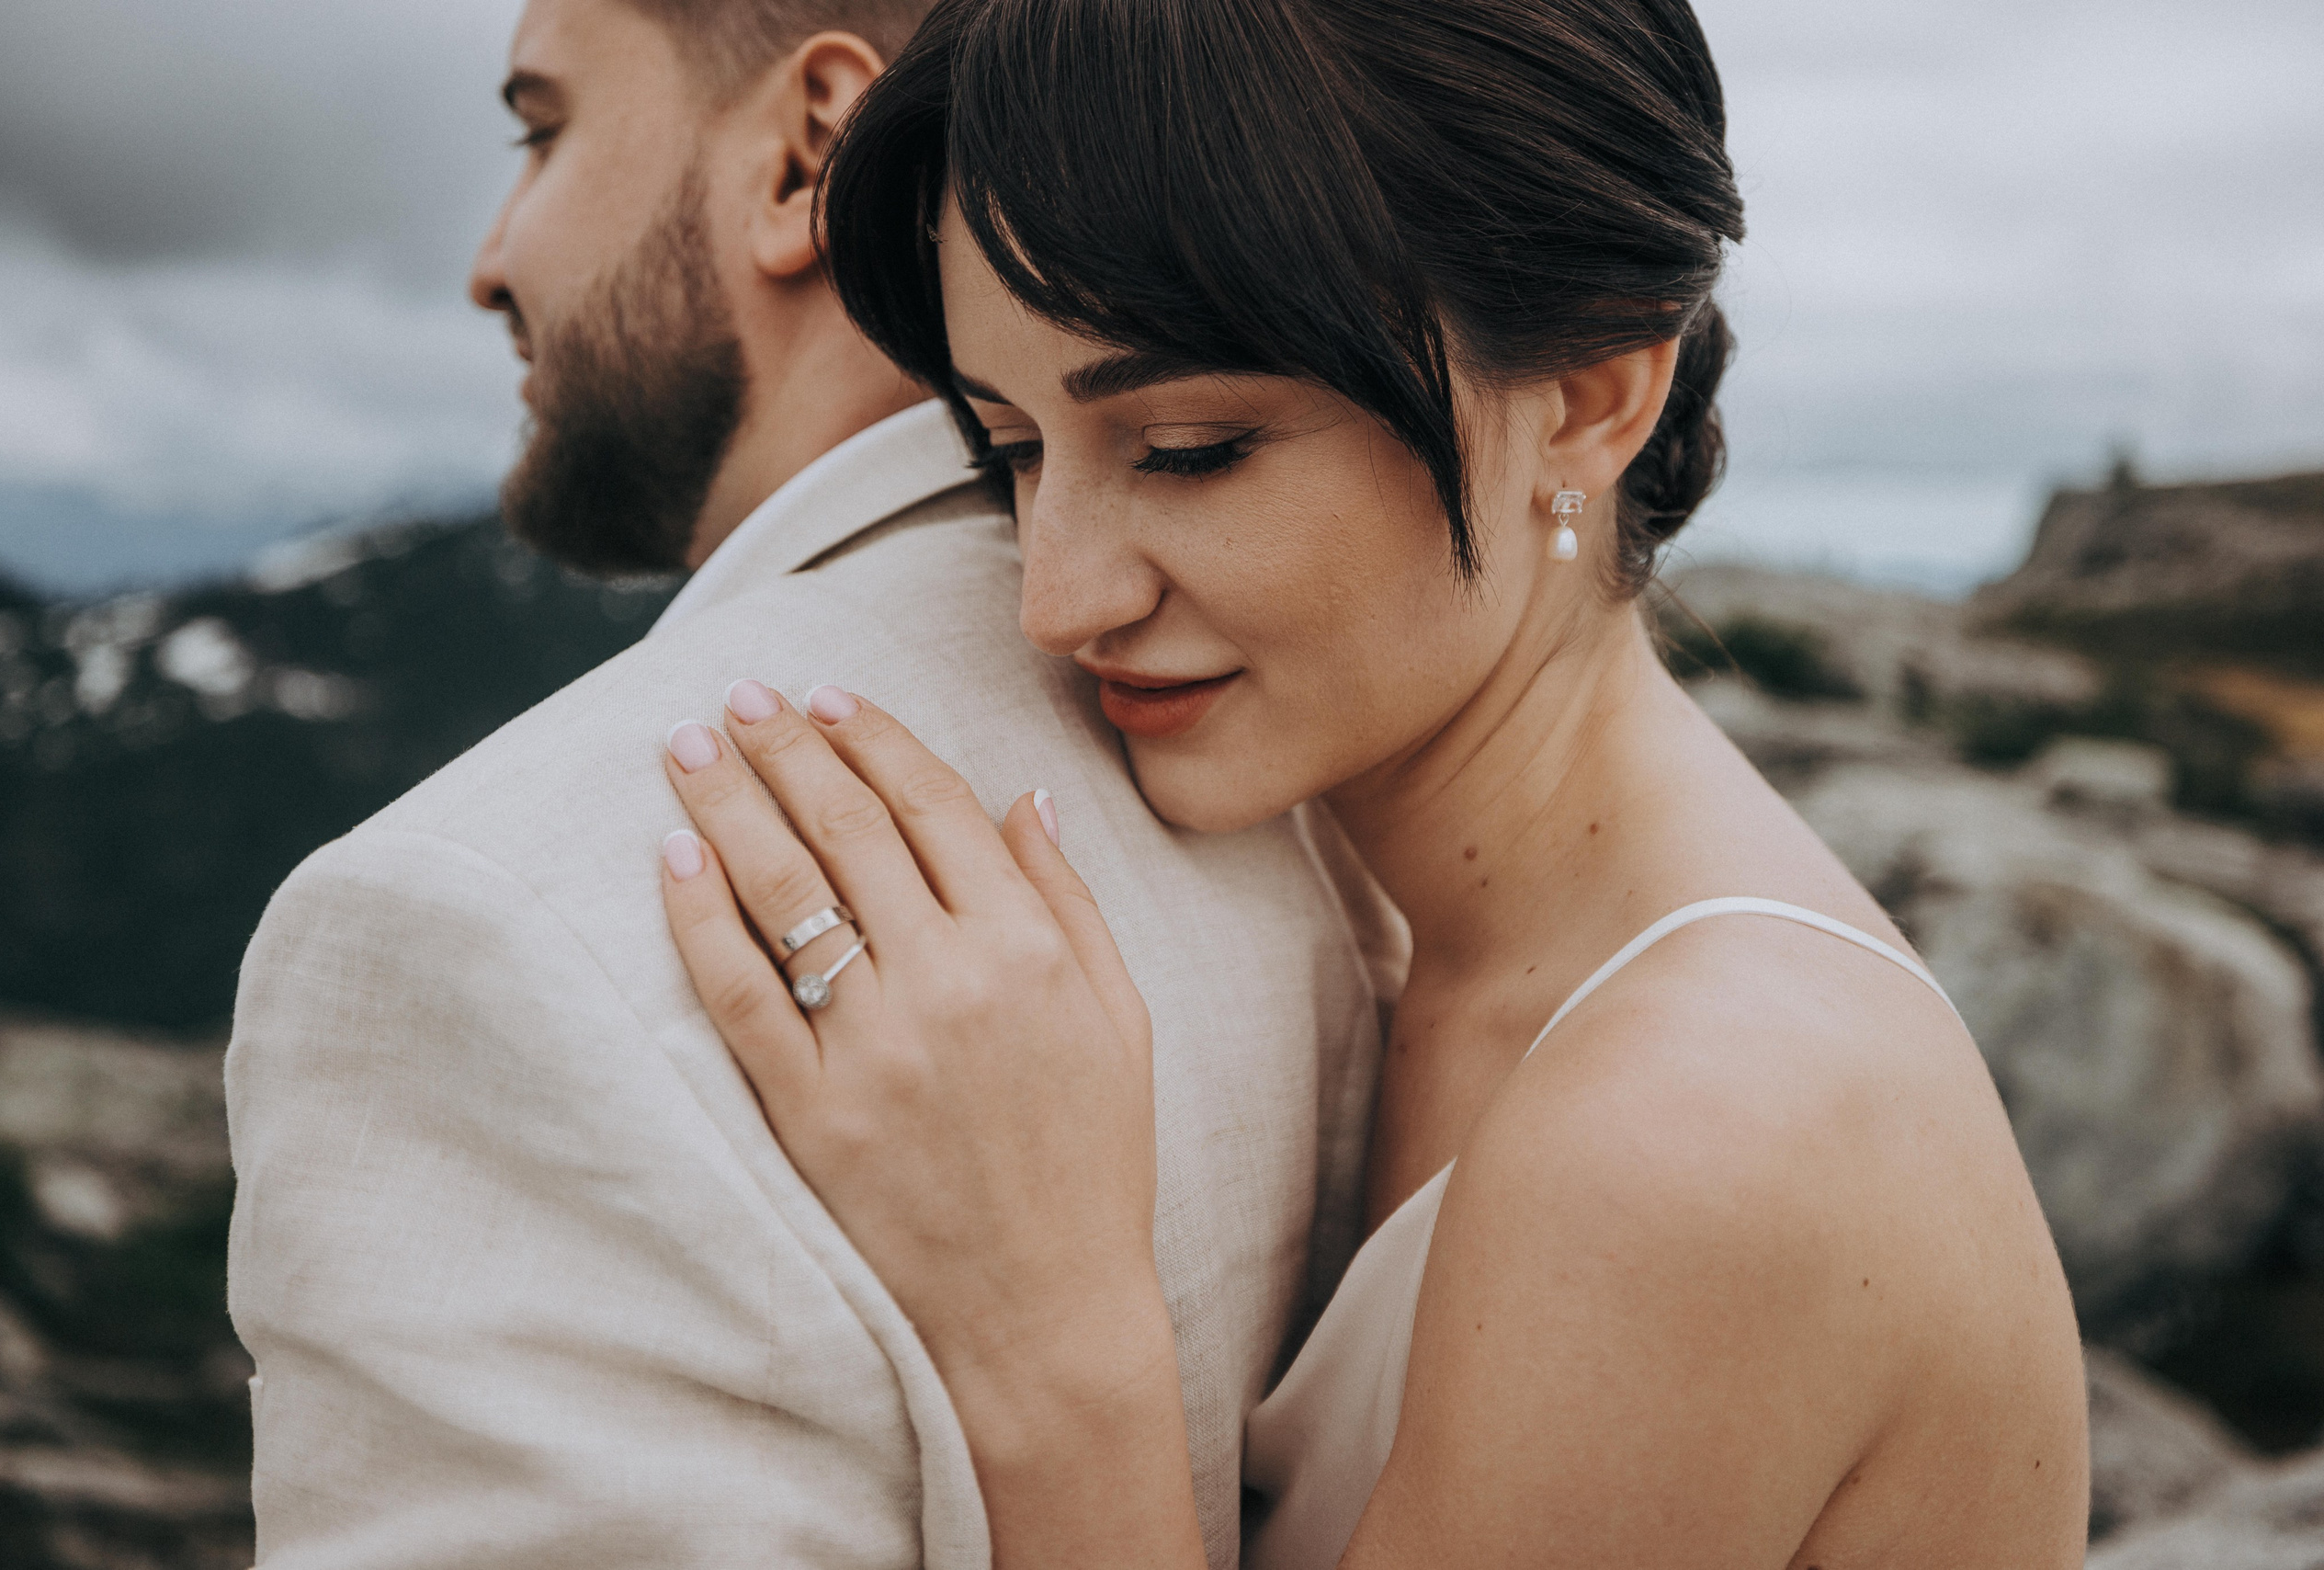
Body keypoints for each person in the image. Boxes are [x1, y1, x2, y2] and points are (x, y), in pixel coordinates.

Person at [653, 0, 2094, 1566]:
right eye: (1011, 450)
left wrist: (1054, 1352)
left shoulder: (1696, 1135)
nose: (1054, 601)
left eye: (1191, 448)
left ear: (1592, 398)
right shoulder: (1413, 925)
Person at [222, 0, 1391, 1564]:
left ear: (810, 153)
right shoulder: (1344, 757)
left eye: (544, 127)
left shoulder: (476, 923)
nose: (492, 258)